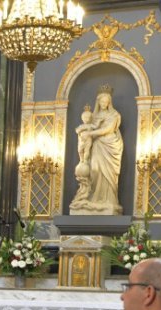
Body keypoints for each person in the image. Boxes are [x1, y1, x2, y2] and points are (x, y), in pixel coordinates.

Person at [68, 85, 123, 215]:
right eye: (102, 101)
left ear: (110, 102)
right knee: (95, 171)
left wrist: (91, 134)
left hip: (109, 144)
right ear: (98, 101)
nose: (104, 104)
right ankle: (95, 198)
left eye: (106, 102)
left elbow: (108, 129)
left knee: (107, 174)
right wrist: (84, 134)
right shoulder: (94, 115)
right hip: (97, 145)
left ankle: (108, 200)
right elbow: (87, 128)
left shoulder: (114, 114)